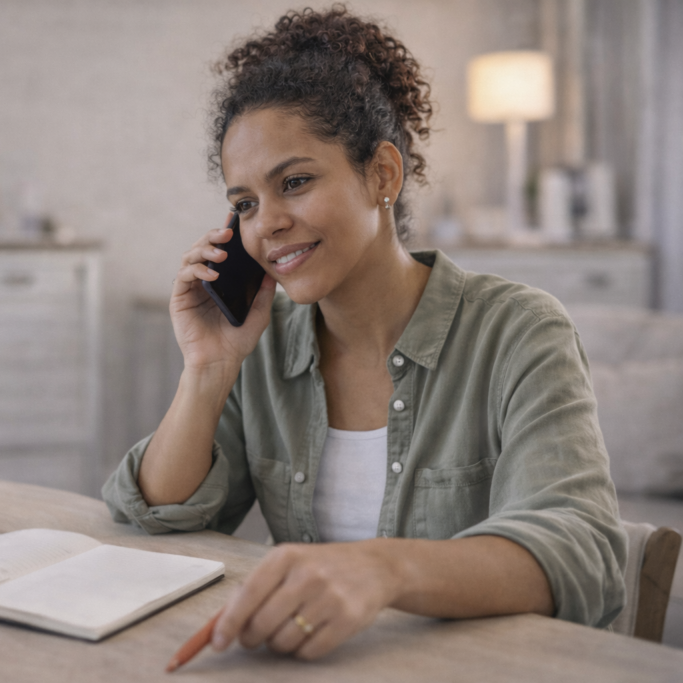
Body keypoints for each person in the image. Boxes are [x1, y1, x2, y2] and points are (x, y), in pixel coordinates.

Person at [102, 4, 626, 660]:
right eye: (244, 203)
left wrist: (382, 569)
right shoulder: (262, 345)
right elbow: (159, 510)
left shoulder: (520, 331)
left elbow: (580, 551)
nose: (265, 225)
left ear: (383, 173)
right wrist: (206, 370)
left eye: (294, 182)